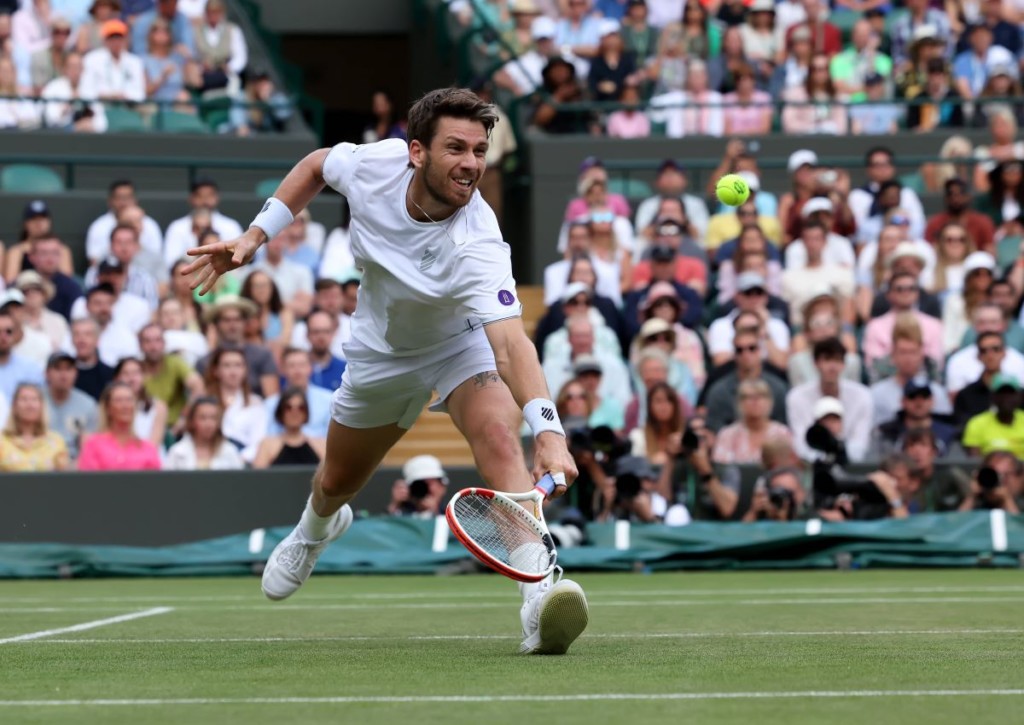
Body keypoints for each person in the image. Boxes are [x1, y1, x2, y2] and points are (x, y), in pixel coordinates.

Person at [183, 87, 586, 655]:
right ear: (416, 151)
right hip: (380, 352)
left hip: (460, 344)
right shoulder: (376, 165)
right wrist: (255, 236)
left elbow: (511, 345)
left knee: (499, 433)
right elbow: (316, 164)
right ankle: (314, 530)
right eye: (456, 148)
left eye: (479, 149)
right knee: (336, 482)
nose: (471, 163)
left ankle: (541, 596)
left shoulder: (481, 242)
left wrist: (547, 431)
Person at [786, 336, 874, 461]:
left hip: (849, 466)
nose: (832, 367)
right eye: (827, 360)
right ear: (815, 363)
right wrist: (822, 459)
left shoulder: (862, 396)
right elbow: (801, 444)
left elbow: (860, 443)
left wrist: (839, 455)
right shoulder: (797, 397)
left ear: (844, 364)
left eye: (837, 360)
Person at [703, 325, 789, 433]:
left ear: (761, 350)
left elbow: (784, 427)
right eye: (739, 350)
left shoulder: (778, 389)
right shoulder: (719, 392)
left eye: (752, 348)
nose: (746, 354)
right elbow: (714, 430)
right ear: (734, 354)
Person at [77, 380, 162, 470]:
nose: (125, 405)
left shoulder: (148, 449)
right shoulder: (93, 444)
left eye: (129, 400)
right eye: (118, 400)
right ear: (108, 408)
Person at [202, 345, 267, 459]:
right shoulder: (204, 401)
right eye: (227, 365)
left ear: (245, 370)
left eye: (238, 365)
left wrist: (237, 460)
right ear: (216, 370)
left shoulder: (256, 402)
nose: (233, 371)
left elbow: (258, 442)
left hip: (243, 462)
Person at [713, 379, 793, 465]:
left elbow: (790, 466)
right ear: (739, 403)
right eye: (748, 397)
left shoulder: (782, 433)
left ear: (770, 401)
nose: (755, 402)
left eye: (761, 396)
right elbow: (722, 467)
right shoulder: (727, 434)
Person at [138, 322, 203, 428]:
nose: (153, 346)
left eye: (157, 340)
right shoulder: (135, 369)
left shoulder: (175, 362)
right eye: (147, 341)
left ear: (164, 343)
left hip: (174, 427)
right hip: (144, 427)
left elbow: (198, 386)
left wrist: (184, 418)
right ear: (140, 345)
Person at [0, 382, 69, 472]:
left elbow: (64, 480)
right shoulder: (2, 440)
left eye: (34, 399)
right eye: (24, 399)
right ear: (14, 406)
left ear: (42, 406)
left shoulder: (56, 441)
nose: (30, 405)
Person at [43, 351, 98, 461]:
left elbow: (91, 445)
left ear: (76, 373)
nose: (63, 375)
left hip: (75, 465)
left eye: (68, 369)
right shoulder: (35, 400)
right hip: (41, 463)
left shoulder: (88, 404)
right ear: (47, 373)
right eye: (58, 369)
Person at [164, 396, 245, 470]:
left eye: (213, 418)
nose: (208, 424)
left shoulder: (229, 451)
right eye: (203, 418)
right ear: (192, 421)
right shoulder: (177, 452)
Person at [79, 18, 145, 102]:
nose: (115, 42)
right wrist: (106, 95)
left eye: (119, 38)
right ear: (104, 40)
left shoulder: (135, 62)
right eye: (111, 38)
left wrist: (124, 96)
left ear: (125, 39)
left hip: (129, 107)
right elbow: (86, 91)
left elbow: (139, 94)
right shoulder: (92, 59)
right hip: (99, 107)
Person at [962, 373, 1024, 458]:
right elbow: (974, 461)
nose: (1006, 398)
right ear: (992, 397)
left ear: (1020, 396)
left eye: (1011, 393)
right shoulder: (977, 423)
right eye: (1001, 393)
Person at [113, 356, 168, 448]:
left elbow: (153, 445)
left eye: (136, 373)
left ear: (144, 376)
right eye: (126, 374)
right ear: (117, 378)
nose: (131, 379)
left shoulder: (159, 406)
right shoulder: (110, 406)